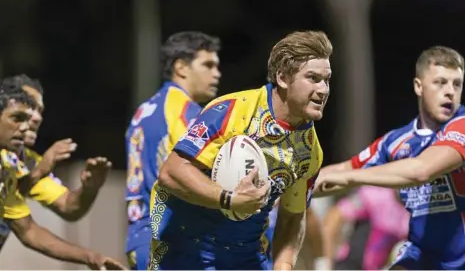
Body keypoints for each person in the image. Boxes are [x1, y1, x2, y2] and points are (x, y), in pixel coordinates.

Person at [149, 30, 332, 270]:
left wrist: (284, 265)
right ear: (283, 78)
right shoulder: (232, 111)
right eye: (313, 78)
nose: (324, 90)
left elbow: (292, 216)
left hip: (246, 258)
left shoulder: (310, 151)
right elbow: (172, 172)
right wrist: (230, 199)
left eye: (327, 80)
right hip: (185, 253)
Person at [314, 45, 465, 270]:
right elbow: (341, 171)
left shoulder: (461, 125)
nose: (450, 91)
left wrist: (353, 178)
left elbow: (421, 170)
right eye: (440, 82)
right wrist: (286, 189)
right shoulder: (397, 141)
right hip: (421, 254)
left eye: (457, 84)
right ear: (419, 86)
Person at [0, 83, 126, 269]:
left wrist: (90, 257)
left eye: (37, 111)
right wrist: (41, 169)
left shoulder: (10, 166)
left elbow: (29, 230)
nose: (28, 124)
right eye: (18, 117)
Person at [125, 31, 221, 270]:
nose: (217, 73)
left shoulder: (144, 111)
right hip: (171, 242)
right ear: (181, 68)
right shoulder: (185, 112)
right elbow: (191, 172)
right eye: (208, 65)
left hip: (140, 237)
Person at [322, 186, 409, 270]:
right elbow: (334, 219)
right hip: (349, 264)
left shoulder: (415, 212)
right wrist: (327, 264)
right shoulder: (374, 195)